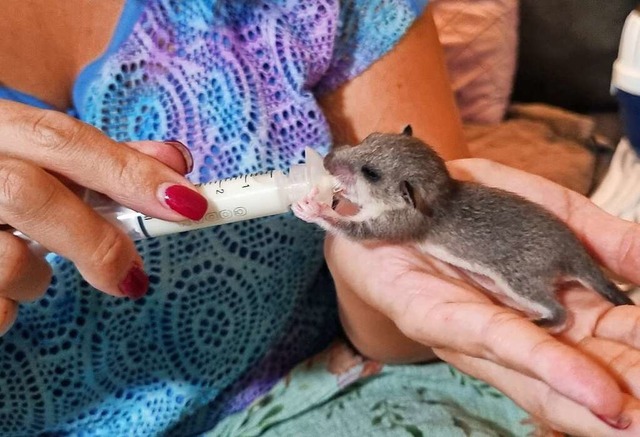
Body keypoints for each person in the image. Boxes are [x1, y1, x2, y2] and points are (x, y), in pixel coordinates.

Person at [2, 1, 640, 435]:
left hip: (324, 381)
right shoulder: (400, 195)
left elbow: (397, 320)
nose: (341, 164)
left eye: (363, 172)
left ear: (411, 198)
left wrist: (352, 254)